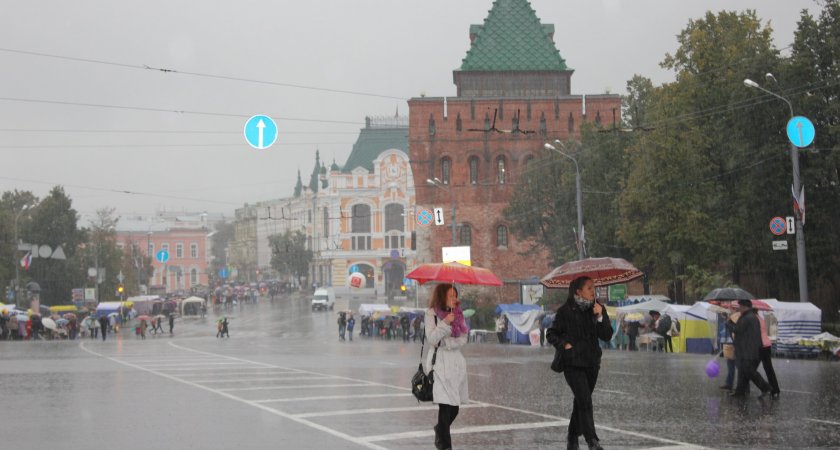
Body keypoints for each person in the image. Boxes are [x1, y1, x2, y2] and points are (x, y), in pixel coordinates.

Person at [547, 276, 612, 450]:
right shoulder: (565, 311)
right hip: (573, 363)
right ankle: (592, 441)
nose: (594, 291)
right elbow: (551, 333)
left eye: (594, 288)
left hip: (592, 363)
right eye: (590, 288)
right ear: (578, 291)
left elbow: (606, 335)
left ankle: (572, 434)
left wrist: (600, 317)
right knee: (584, 400)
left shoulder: (597, 308)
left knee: (581, 401)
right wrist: (564, 345)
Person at [425, 284, 468, 450]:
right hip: (439, 363)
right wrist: (444, 323)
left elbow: (463, 339)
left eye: (455, 296)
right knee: (445, 405)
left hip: (455, 363)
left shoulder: (458, 314)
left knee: (454, 408)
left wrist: (448, 343)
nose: (454, 299)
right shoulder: (431, 314)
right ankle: (446, 446)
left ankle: (440, 429)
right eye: (450, 296)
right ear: (442, 296)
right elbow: (432, 339)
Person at [730, 300, 771, 398]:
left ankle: (765, 387)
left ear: (744, 306)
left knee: (748, 370)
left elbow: (737, 330)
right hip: (748, 348)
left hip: (748, 349)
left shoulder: (748, 317)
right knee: (743, 370)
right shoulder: (749, 316)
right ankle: (740, 391)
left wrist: (729, 323)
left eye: (740, 306)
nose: (738, 308)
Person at [757, 312, 781, 398]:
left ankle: (766, 387)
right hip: (767, 344)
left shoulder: (754, 318)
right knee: (769, 369)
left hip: (760, 345)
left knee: (750, 370)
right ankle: (775, 389)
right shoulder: (760, 318)